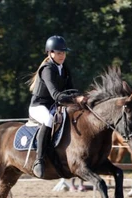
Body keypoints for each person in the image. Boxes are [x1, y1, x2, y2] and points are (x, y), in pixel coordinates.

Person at [28, 35, 85, 178]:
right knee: (48, 120)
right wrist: (75, 98)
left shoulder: (64, 68)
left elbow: (71, 90)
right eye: (59, 53)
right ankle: (39, 160)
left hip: (55, 105)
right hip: (39, 106)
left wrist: (82, 98)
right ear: (50, 53)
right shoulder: (47, 68)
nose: (62, 56)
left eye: (64, 53)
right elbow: (56, 95)